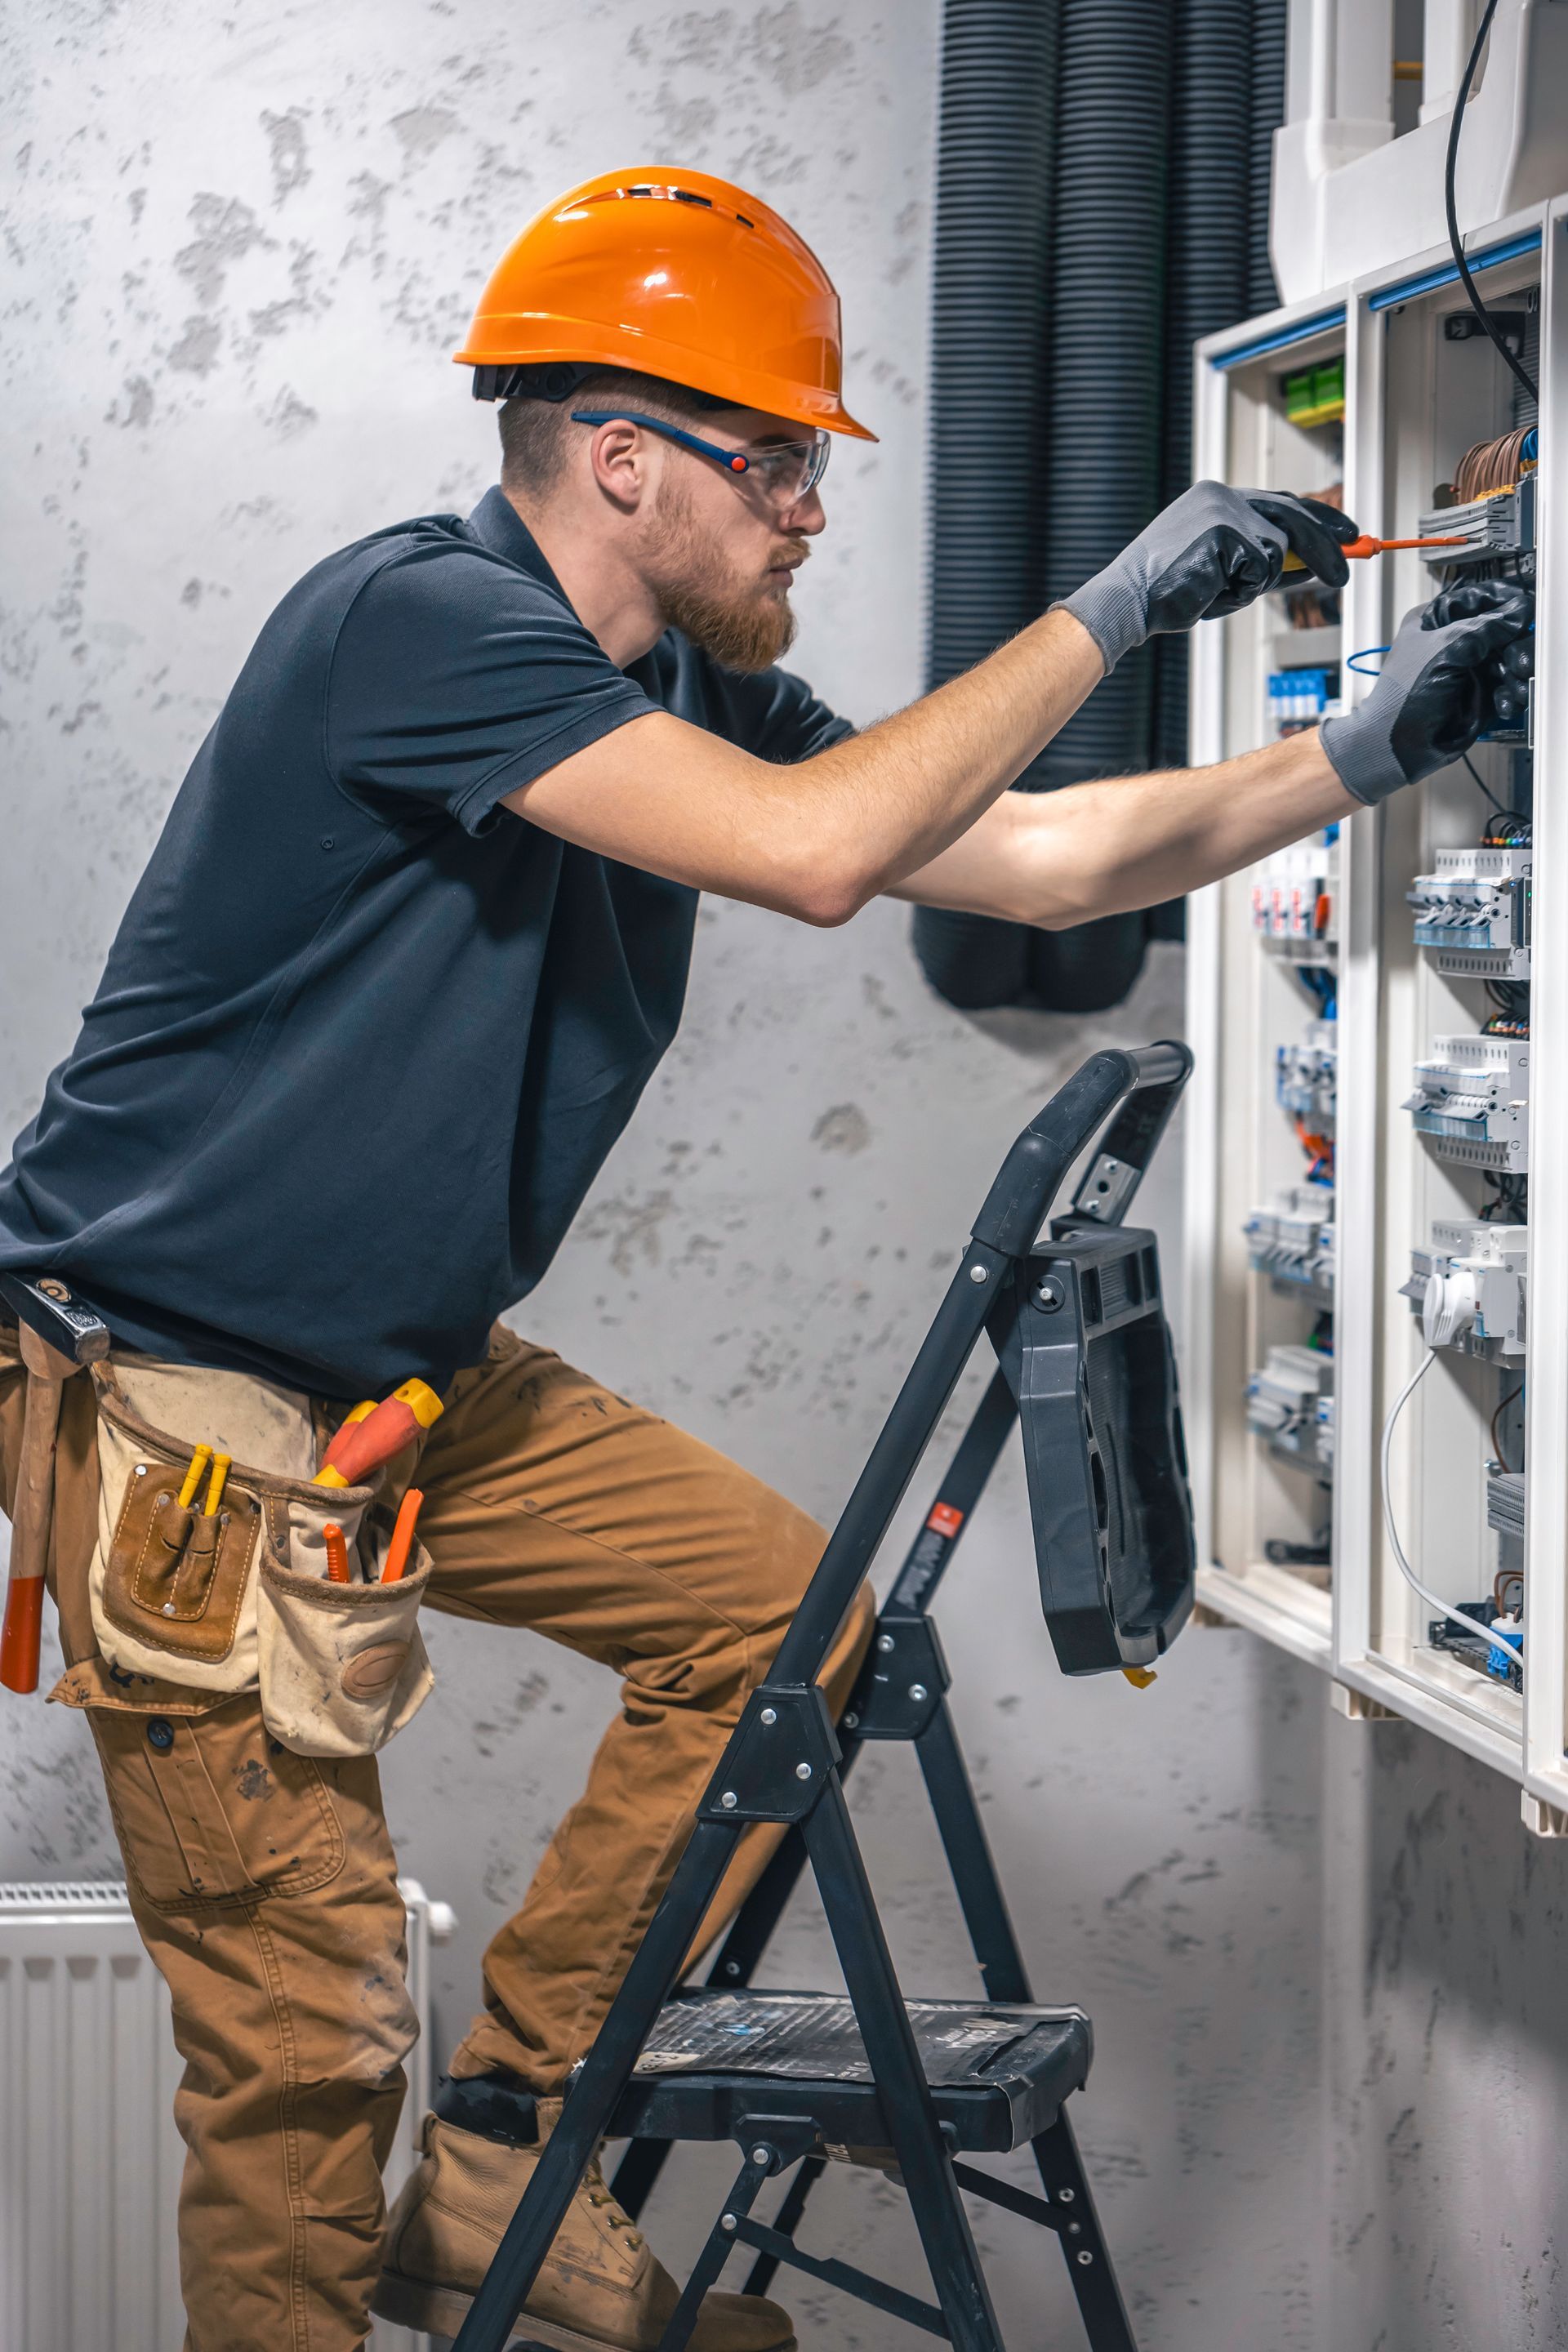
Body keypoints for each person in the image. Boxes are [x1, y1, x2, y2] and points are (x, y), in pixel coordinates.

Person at [0, 166, 1530, 2352]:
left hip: (401, 1368)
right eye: (777, 456)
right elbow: (826, 866)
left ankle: (512, 2133)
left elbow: (1019, 844)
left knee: (777, 1627)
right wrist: (1111, 605)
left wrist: (1360, 753)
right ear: (620, 456)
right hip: (182, 1405)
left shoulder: (673, 693)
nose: (811, 507)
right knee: (304, 2048)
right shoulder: (419, 622)